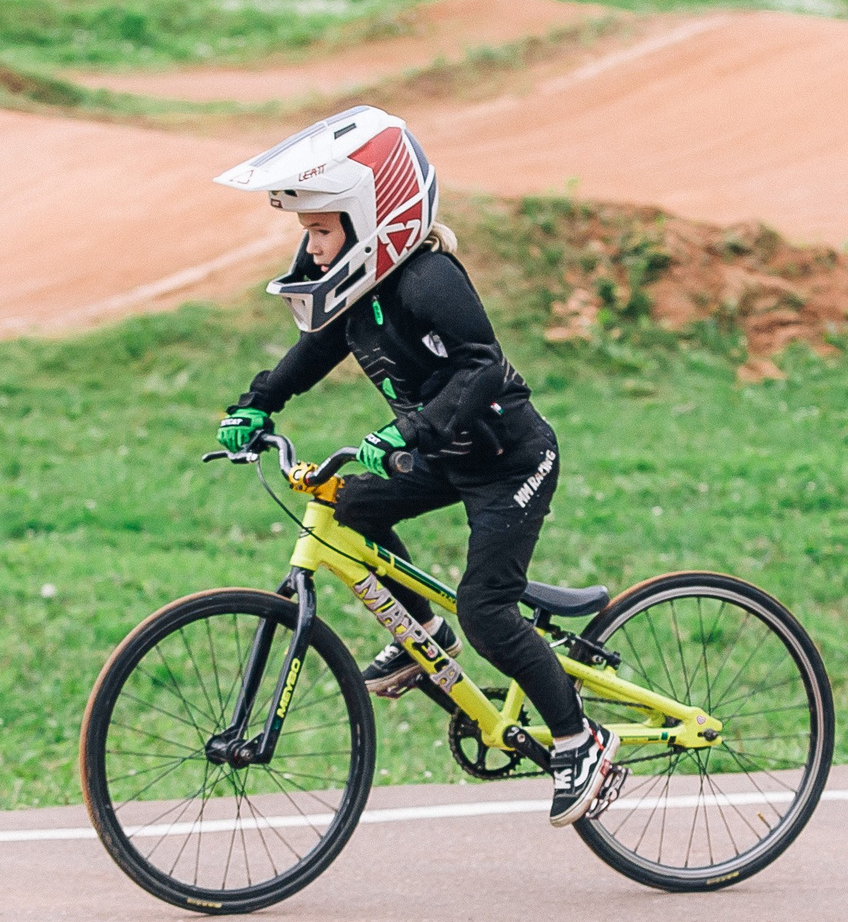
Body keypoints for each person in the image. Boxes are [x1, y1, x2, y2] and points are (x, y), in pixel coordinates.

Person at [211, 107, 624, 828]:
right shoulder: (360, 292)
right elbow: (314, 352)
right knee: (351, 505)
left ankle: (580, 740)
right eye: (306, 234)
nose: (309, 252)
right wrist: (259, 404)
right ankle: (423, 633)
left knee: (490, 612)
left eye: (319, 231)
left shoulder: (427, 278)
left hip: (509, 460)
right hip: (441, 454)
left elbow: (481, 368)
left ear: (375, 219)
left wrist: (408, 430)